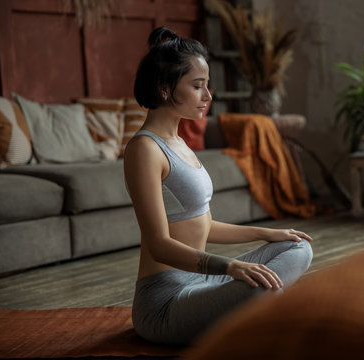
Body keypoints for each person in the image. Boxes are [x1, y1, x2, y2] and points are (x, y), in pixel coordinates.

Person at [123, 26, 313, 346]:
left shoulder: (180, 143)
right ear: (165, 88)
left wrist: (269, 233)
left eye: (207, 86)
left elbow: (205, 226)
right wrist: (231, 266)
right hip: (166, 302)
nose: (208, 96)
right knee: (257, 284)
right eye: (198, 86)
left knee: (297, 247)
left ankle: (246, 312)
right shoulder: (145, 150)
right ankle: (252, 314)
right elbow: (159, 245)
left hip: (203, 281)